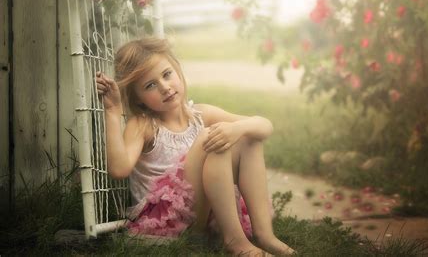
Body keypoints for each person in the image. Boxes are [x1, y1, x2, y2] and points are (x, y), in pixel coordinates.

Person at [95, 37, 295, 256]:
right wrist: (113, 111)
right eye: (150, 85)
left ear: (177, 70)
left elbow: (264, 126)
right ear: (139, 99)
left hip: (209, 211)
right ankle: (236, 242)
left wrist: (239, 129)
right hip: (169, 220)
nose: (165, 87)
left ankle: (265, 235)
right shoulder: (144, 125)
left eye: (166, 74)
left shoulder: (201, 114)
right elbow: (119, 169)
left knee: (246, 136)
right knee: (213, 136)